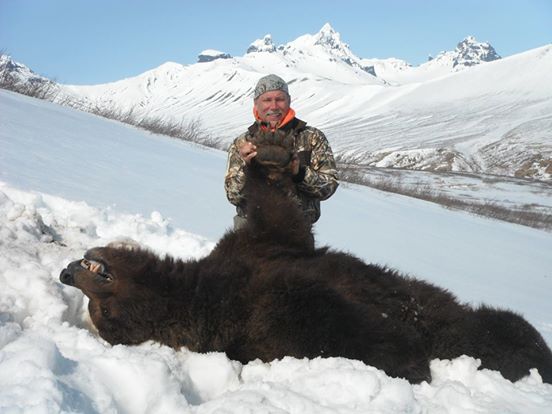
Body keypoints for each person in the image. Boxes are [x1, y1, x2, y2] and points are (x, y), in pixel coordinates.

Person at [225, 74, 339, 229]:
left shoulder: (312, 137)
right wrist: (248, 168)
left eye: (280, 99)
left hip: (296, 231)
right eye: (267, 100)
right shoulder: (242, 142)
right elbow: (233, 196)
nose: (274, 106)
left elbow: (329, 186)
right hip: (249, 228)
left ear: (289, 101)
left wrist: (299, 174)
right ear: (256, 103)